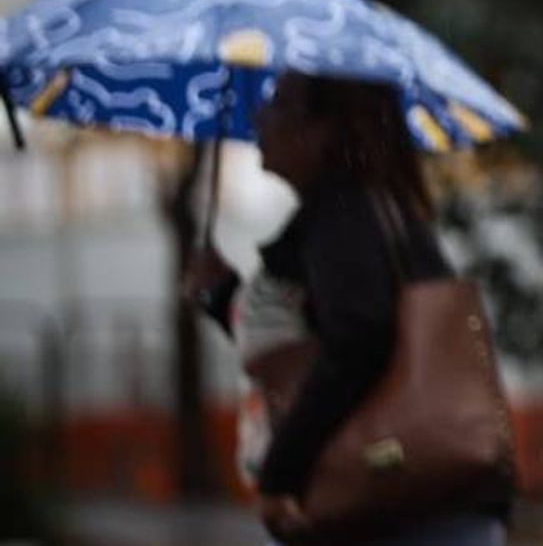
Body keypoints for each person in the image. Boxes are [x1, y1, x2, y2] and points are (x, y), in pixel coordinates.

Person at [184, 72, 510, 545]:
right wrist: (220, 295)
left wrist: (282, 475)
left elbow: (358, 340)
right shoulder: (340, 217)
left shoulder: (346, 215)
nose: (260, 116)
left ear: (325, 129)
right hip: (403, 504)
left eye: (279, 103)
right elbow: (302, 353)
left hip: (399, 506)